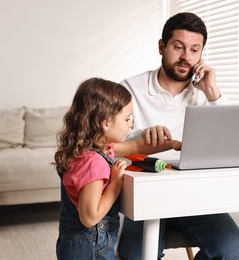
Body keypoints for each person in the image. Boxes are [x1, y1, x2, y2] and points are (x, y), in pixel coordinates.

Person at [117, 12, 239, 260]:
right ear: (161, 46)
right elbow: (109, 142)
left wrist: (212, 91)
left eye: (194, 50)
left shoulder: (204, 94)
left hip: (193, 193)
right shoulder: (129, 89)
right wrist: (141, 136)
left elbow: (233, 138)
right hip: (147, 194)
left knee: (231, 250)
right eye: (178, 47)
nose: (186, 57)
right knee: (134, 255)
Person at [54, 77, 181, 260]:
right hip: (90, 249)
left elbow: (136, 147)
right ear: (106, 123)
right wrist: (116, 183)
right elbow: (89, 218)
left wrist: (173, 144)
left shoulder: (95, 148)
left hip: (79, 245)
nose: (131, 124)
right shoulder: (93, 163)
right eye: (127, 119)